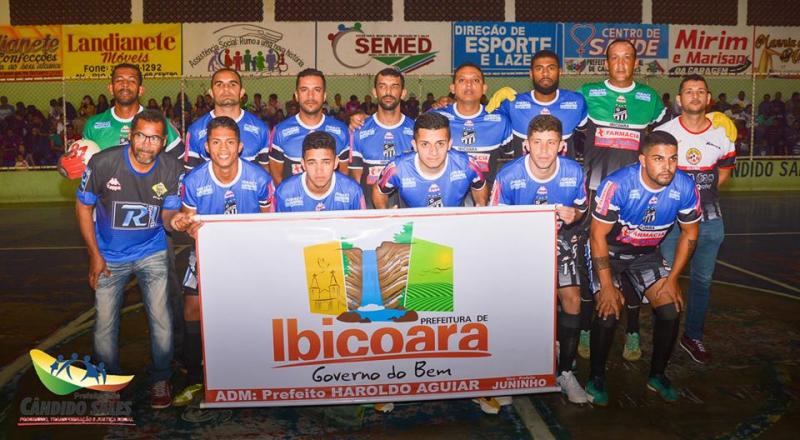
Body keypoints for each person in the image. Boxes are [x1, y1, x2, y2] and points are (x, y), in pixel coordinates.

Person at [75, 109, 183, 409]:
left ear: (163, 141)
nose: (147, 144)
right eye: (141, 136)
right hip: (109, 257)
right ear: (130, 136)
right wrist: (94, 255)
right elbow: (84, 207)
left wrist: (176, 222)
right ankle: (109, 382)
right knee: (105, 323)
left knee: (162, 319)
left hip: (153, 252)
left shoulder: (172, 168)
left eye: (155, 138)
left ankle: (161, 378)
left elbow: (168, 214)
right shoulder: (104, 162)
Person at [586, 131, 701, 405]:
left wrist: (673, 279)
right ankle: (596, 376)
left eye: (673, 159)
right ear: (642, 160)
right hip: (611, 253)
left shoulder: (684, 187)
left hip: (647, 254)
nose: (668, 166)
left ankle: (657, 376)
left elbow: (690, 234)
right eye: (659, 159)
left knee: (670, 309)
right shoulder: (618, 184)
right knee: (608, 310)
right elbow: (596, 236)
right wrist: (605, 286)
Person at [169, 116, 274, 406]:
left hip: (250, 254)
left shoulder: (260, 179)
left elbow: (270, 221)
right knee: (192, 307)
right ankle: (194, 377)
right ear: (206, 146)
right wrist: (185, 225)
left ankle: (257, 371)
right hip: (208, 251)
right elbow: (189, 221)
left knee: (255, 311)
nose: (223, 148)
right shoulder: (193, 181)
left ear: (240, 146)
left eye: (229, 142)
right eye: (216, 142)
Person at [578, 39, 670, 361]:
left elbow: (663, 144)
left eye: (626, 58)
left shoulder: (650, 99)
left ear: (635, 63)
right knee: (593, 262)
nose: (620, 64)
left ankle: (632, 330)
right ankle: (587, 328)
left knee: (633, 262)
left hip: (636, 198)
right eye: (614, 58)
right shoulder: (588, 95)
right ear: (606, 62)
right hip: (596, 196)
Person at [491, 114, 589, 407]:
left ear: (561, 145)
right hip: (519, 245)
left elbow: (582, 209)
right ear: (526, 146)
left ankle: (566, 372)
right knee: (519, 307)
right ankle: (512, 374)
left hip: (559, 242)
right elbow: (494, 222)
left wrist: (575, 214)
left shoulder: (573, 172)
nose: (544, 150)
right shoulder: (508, 176)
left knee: (572, 299)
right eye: (537, 143)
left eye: (551, 143)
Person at [656, 75, 736, 365]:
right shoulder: (664, 133)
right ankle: (663, 335)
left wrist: (701, 200)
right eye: (688, 91)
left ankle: (693, 335)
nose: (694, 96)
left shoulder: (720, 135)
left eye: (700, 91)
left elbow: (724, 170)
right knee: (666, 279)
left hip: (709, 220)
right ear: (679, 99)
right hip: (671, 222)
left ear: (708, 98)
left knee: (702, 280)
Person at [374, 112, 487, 209]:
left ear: (449, 144)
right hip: (414, 228)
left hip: (454, 227)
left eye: (440, 143)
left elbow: (480, 186)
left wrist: (480, 207)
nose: (433, 152)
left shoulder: (467, 164)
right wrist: (385, 213)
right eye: (425, 144)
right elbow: (378, 191)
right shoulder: (397, 169)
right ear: (415, 145)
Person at [487, 50, 587, 159]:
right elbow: (485, 124)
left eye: (551, 68)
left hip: (564, 174)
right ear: (531, 74)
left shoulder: (577, 102)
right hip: (523, 175)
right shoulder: (512, 104)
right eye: (539, 68)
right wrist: (493, 105)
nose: (545, 73)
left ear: (560, 72)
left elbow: (585, 137)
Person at [435, 62, 511, 191]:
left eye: (475, 80)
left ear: (484, 88)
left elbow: (516, 160)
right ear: (452, 88)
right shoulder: (436, 118)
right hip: (445, 198)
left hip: (486, 198)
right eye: (462, 80)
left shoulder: (499, 121)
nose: (469, 85)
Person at [269, 69, 350, 185]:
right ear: (296, 96)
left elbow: (344, 177)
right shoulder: (280, 131)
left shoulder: (341, 130)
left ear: (324, 96)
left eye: (317, 90)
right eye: (304, 90)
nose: (310, 96)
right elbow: (277, 177)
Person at [83, 63, 182, 157]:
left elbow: (181, 160)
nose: (125, 84)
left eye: (132, 81)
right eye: (119, 80)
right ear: (110, 88)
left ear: (140, 90)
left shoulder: (161, 123)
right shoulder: (93, 124)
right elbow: (84, 165)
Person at [349, 68, 415, 207]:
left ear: (403, 93)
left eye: (394, 87)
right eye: (382, 86)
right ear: (374, 92)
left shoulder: (415, 130)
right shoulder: (359, 130)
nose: (388, 92)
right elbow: (355, 179)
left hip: (407, 212)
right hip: (370, 213)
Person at [183, 68, 270, 172]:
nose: (226, 89)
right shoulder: (196, 130)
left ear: (242, 92)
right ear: (211, 93)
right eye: (219, 84)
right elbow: (190, 174)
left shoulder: (261, 128)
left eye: (232, 84)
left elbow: (266, 173)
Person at [274, 131, 364, 212]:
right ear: (303, 164)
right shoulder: (284, 193)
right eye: (312, 163)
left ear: (336, 162)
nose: (319, 170)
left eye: (326, 162)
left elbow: (361, 227)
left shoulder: (353, 191)